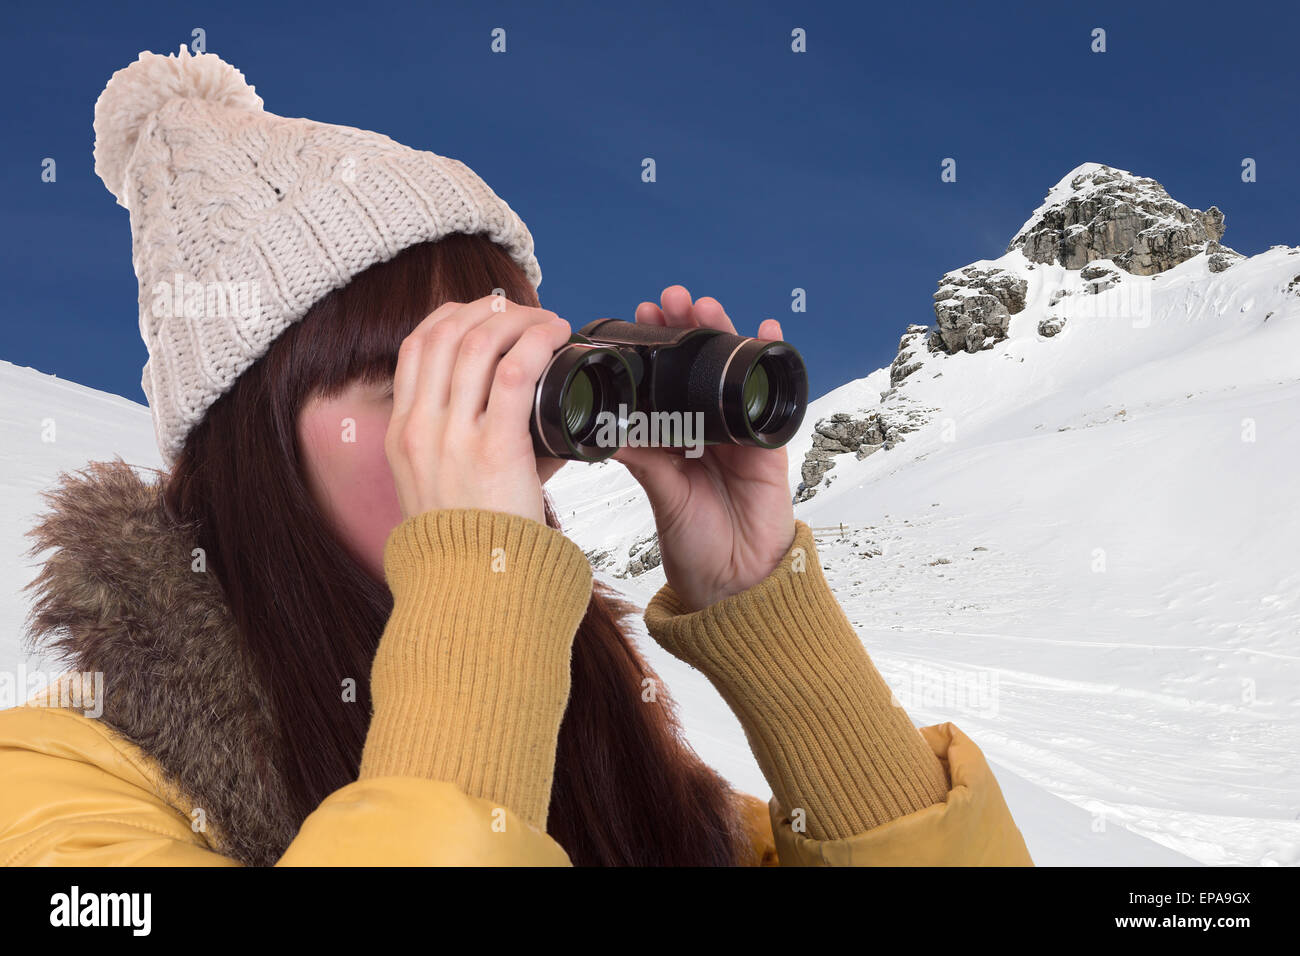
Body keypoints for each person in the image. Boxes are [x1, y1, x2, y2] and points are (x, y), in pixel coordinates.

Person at [0, 46, 1031, 866]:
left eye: (512, 379)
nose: (491, 440)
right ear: (253, 453)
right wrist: (480, 596)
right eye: (419, 385)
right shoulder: (54, 788)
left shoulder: (627, 774)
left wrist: (762, 608)